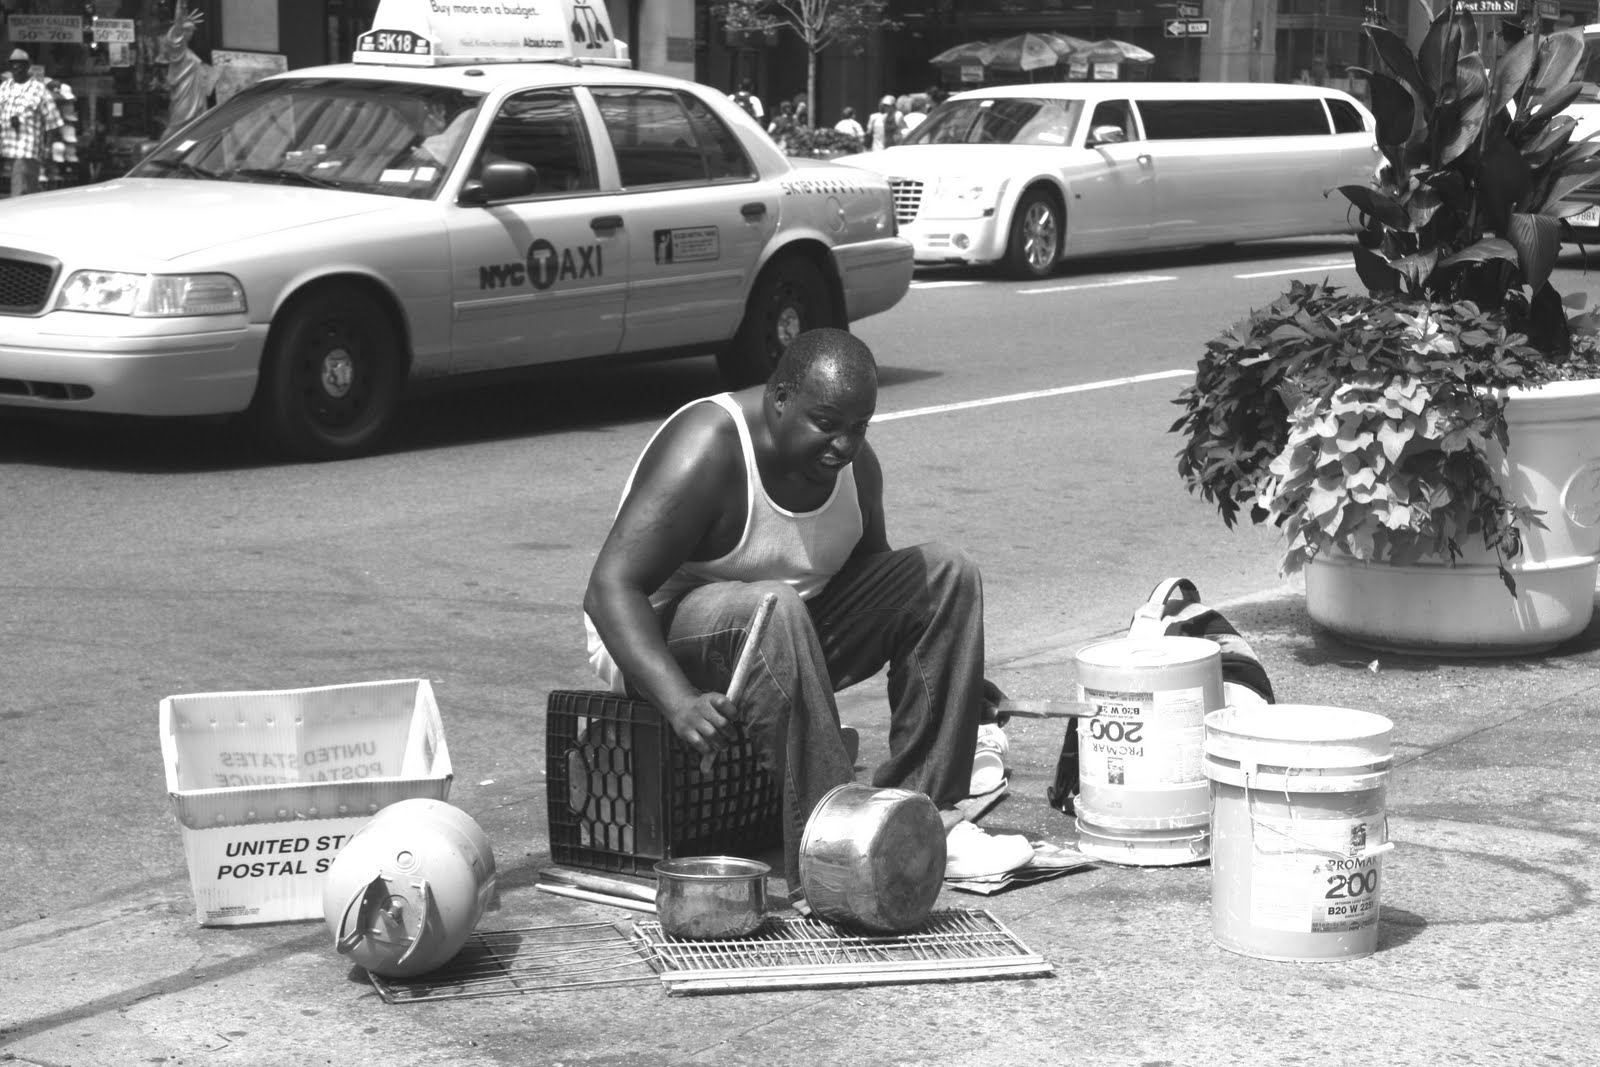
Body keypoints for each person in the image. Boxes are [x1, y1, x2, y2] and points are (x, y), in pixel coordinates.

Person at [583, 328, 1034, 904]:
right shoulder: (711, 446)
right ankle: (835, 850)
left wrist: (952, 668)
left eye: (859, 427)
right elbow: (610, 588)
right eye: (827, 423)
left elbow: (881, 587)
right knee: (774, 603)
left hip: (786, 631)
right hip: (659, 640)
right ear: (779, 399)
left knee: (945, 572)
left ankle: (928, 824)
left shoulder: (855, 466)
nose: (844, 445)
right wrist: (676, 699)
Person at [0, 50, 62, 197]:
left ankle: (18, 216)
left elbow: (53, 122)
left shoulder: (39, 89)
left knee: (21, 190)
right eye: (13, 64)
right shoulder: (4, 88)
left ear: (28, 66)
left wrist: (47, 149)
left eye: (20, 64)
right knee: (21, 191)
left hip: (26, 149)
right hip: (6, 148)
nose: (16, 67)